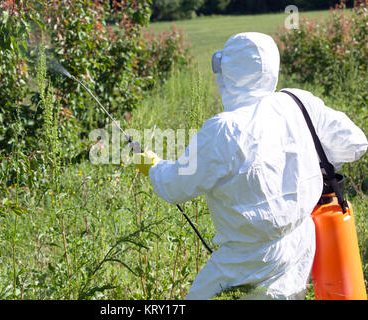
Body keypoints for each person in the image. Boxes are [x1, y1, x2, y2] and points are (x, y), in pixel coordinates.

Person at [134, 32, 367, 300]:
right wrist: (307, 165)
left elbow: (174, 186)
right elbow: (356, 143)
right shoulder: (297, 102)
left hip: (244, 262)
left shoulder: (224, 130)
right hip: (300, 243)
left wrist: (150, 164)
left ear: (230, 71)